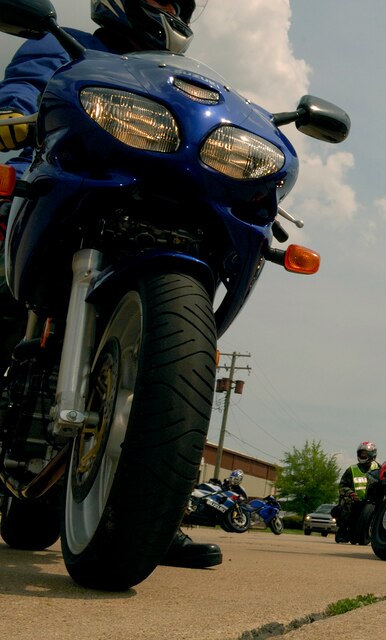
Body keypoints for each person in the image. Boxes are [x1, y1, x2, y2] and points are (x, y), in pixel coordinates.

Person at [0, 0, 215, 571]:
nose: (168, 8)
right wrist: (12, 120)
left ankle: (149, 509)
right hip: (53, 195)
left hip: (134, 223)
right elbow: (24, 90)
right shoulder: (68, 42)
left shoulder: (178, 80)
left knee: (165, 356)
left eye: (178, 2)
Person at [336, 441, 379, 543]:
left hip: (372, 503)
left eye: (365, 453)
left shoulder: (378, 468)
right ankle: (343, 531)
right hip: (355, 502)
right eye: (361, 453)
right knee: (345, 501)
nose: (362, 456)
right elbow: (342, 486)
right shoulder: (351, 470)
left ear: (372, 454)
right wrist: (351, 493)